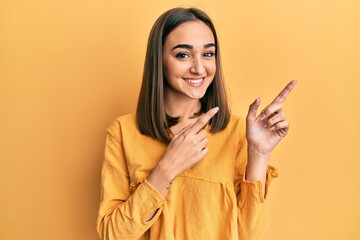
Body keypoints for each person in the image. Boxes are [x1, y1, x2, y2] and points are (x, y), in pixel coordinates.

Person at [97, 7, 296, 240]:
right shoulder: (123, 132)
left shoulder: (237, 133)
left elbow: (249, 235)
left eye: (208, 54)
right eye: (183, 55)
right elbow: (112, 235)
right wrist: (166, 169)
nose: (200, 68)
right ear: (159, 59)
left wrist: (259, 154)